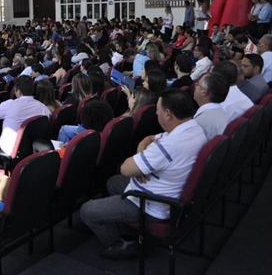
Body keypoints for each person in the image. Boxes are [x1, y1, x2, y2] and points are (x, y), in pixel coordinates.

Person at [80, 89, 208, 260]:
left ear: (168, 114)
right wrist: (142, 156)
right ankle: (129, 232)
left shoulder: (169, 146)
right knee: (114, 182)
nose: (156, 113)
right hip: (165, 192)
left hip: (151, 203)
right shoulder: (193, 129)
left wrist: (138, 163)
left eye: (158, 109)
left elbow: (125, 168)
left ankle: (121, 245)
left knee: (87, 211)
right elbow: (149, 138)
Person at [193, 72, 230, 140]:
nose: (195, 87)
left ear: (204, 92)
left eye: (197, 84)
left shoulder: (200, 122)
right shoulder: (223, 112)